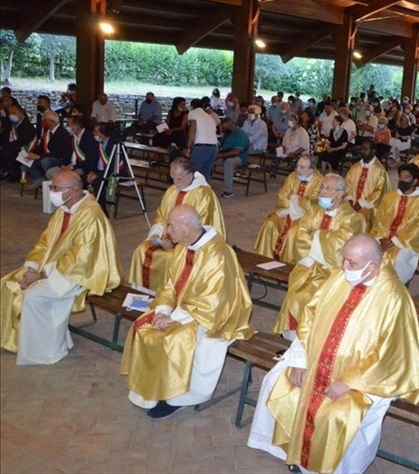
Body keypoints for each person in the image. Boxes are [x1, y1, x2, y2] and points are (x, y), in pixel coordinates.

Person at [249, 235, 419, 471]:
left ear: (372, 266)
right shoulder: (339, 278)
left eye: (351, 263)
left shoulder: (393, 298)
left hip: (365, 378)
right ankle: (295, 453)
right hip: (316, 361)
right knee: (279, 382)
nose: (344, 266)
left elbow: (392, 355)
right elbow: (310, 317)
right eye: (344, 259)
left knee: (334, 416)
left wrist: (349, 382)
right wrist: (300, 359)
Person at [120, 205, 253, 420]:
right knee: (144, 325)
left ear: (186, 227)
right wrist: (163, 310)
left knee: (173, 338)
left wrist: (174, 318)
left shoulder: (218, 254)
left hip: (215, 316)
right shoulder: (183, 246)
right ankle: (151, 390)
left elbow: (216, 300)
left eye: (171, 226)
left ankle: (177, 397)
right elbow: (171, 284)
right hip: (184, 309)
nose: (167, 231)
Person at [0, 170, 123, 364]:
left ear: (73, 191)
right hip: (53, 269)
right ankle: (16, 340)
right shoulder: (64, 209)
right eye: (53, 187)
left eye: (56, 188)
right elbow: (45, 241)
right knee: (8, 283)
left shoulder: (91, 215)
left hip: (82, 275)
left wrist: (41, 274)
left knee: (33, 296)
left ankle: (46, 351)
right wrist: (33, 267)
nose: (52, 191)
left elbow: (81, 259)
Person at [274, 174, 368, 337]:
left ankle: (311, 337)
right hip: (309, 263)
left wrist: (315, 235)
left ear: (340, 193)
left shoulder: (352, 218)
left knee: (304, 296)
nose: (322, 191)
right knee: (295, 293)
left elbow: (342, 244)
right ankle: (292, 338)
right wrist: (322, 237)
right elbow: (300, 232)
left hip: (334, 271)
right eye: (322, 187)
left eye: (328, 188)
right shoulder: (315, 211)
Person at [128, 157, 226, 291]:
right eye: (172, 178)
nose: (175, 182)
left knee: (171, 257)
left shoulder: (204, 194)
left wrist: (174, 242)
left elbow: (199, 227)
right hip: (168, 238)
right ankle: (145, 293)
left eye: (179, 179)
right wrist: (155, 235)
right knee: (142, 249)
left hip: (190, 244)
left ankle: (171, 294)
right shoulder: (171, 191)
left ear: (190, 175)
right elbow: (162, 217)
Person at [370, 163, 419, 284]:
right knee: (367, 247)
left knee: (401, 258)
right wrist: (381, 238)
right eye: (401, 176)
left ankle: (395, 286)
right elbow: (379, 220)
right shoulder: (390, 197)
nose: (402, 180)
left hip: (408, 243)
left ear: (414, 181)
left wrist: (393, 241)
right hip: (384, 237)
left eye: (407, 177)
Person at [255, 155, 323, 259]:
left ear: (312, 170)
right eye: (297, 166)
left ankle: (287, 261)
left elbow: (312, 204)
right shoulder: (292, 176)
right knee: (269, 223)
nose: (298, 170)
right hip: (286, 210)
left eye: (302, 167)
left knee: (293, 233)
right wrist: (293, 202)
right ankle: (265, 257)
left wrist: (294, 198)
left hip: (304, 215)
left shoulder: (320, 182)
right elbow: (282, 194)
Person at [344, 137, 389, 227]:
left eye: (365, 149)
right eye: (361, 148)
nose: (362, 151)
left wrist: (360, 204)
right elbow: (346, 185)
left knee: (363, 220)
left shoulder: (380, 171)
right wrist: (349, 200)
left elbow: (379, 192)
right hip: (351, 204)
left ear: (373, 151)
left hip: (369, 206)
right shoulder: (355, 167)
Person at [23, 109, 72, 189]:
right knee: (25, 158)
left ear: (51, 121)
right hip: (45, 155)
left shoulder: (62, 133)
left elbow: (58, 152)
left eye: (44, 120)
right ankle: (40, 178)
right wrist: (31, 152)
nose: (43, 122)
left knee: (45, 162)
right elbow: (41, 147)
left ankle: (51, 182)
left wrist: (38, 157)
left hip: (58, 158)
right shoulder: (47, 132)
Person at [184, 99, 219, 182]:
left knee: (192, 173)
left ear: (192, 106)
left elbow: (192, 129)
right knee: (205, 174)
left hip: (201, 147)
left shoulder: (193, 113)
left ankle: (191, 193)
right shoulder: (208, 116)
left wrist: (188, 147)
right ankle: (205, 193)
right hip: (213, 147)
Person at [215, 117, 250, 199]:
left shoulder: (241, 134)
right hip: (225, 155)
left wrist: (219, 156)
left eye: (224, 128)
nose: (223, 130)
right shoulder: (227, 133)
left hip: (239, 157)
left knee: (228, 162)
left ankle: (228, 190)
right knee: (208, 159)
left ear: (231, 125)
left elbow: (236, 151)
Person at [0, 103, 35, 182]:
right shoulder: (11, 124)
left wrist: (3, 146)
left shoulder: (27, 126)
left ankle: (16, 174)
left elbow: (21, 142)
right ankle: (7, 171)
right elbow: (4, 136)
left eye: (14, 113)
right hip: (12, 146)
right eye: (10, 113)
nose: (11, 115)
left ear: (21, 113)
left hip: (24, 149)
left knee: (6, 152)